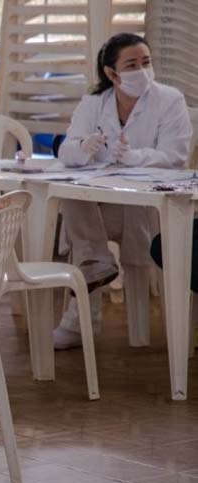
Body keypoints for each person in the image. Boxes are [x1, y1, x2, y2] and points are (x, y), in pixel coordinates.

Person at [54, 33, 192, 349]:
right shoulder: (93, 103)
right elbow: (67, 154)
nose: (141, 70)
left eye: (146, 62)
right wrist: (83, 148)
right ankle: (96, 260)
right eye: (132, 64)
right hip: (99, 206)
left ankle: (91, 271)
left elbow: (176, 157)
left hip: (145, 208)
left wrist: (136, 157)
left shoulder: (169, 100)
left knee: (83, 230)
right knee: (72, 195)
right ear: (111, 73)